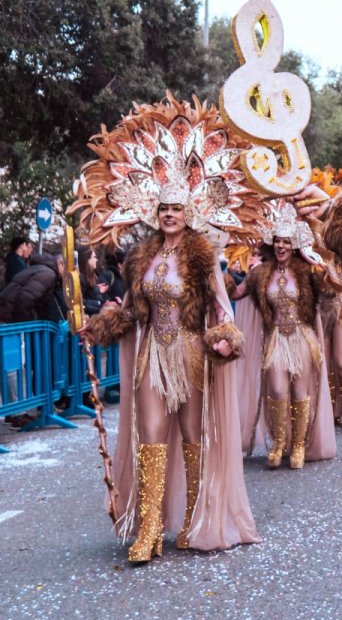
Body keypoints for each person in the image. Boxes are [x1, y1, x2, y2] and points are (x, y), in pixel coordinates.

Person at [71, 94, 263, 564]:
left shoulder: (202, 258)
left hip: (192, 357)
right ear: (156, 215)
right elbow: (135, 311)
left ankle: (196, 518)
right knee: (150, 435)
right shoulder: (142, 257)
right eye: (164, 209)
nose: (170, 215)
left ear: (189, 212)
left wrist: (226, 337)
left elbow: (223, 310)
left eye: (177, 208)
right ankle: (150, 530)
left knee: (193, 435)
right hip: (153, 356)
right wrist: (98, 326)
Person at [233, 202, 336, 468]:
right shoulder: (260, 274)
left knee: (299, 390)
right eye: (277, 241)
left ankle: (299, 446)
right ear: (271, 244)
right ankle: (279, 443)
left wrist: (330, 274)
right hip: (276, 339)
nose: (281, 246)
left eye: (286, 242)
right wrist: (221, 272)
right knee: (277, 390)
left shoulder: (307, 272)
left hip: (301, 337)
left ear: (294, 246)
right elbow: (236, 293)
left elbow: (329, 292)